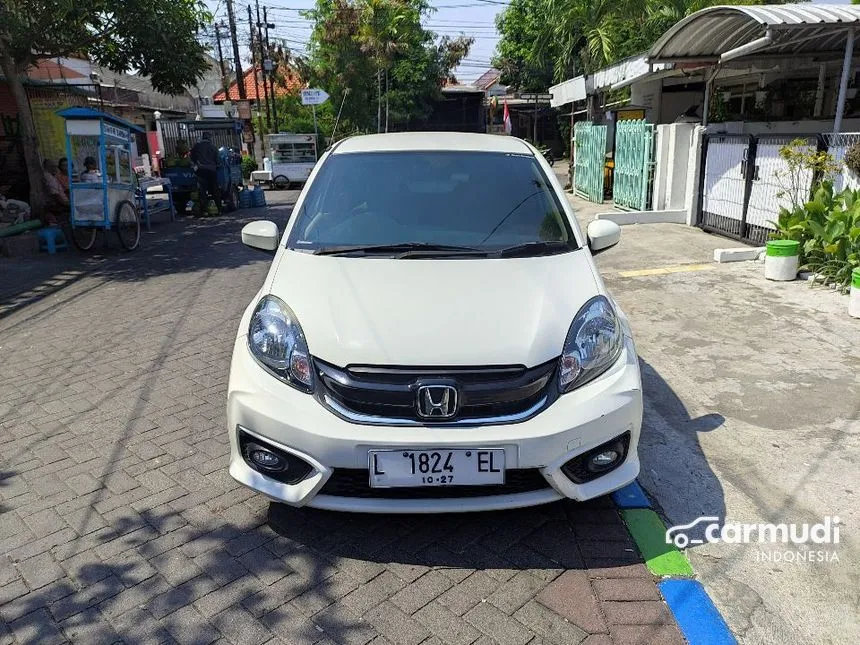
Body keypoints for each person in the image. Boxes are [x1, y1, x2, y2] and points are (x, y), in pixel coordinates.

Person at [190, 131, 221, 215]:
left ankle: (204, 211)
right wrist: (216, 165)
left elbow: (192, 156)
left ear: (203, 137)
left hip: (201, 171)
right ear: (209, 138)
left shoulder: (197, 146)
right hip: (212, 171)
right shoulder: (213, 147)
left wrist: (197, 162)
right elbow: (218, 160)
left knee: (202, 191)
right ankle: (218, 209)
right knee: (215, 190)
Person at [43, 159, 69, 226]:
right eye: (53, 166)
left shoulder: (52, 176)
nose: (55, 168)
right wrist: (67, 204)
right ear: (48, 167)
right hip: (59, 204)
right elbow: (56, 195)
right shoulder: (50, 178)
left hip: (63, 200)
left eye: (55, 166)